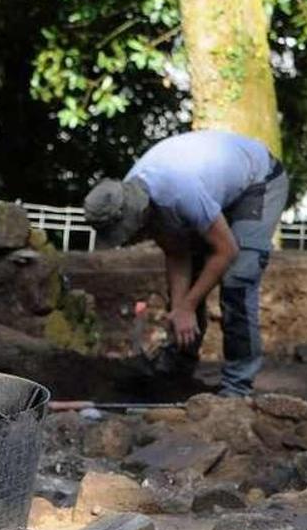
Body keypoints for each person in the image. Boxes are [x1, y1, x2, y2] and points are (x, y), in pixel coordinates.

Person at [83, 130, 289, 397]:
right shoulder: (127, 196)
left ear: (137, 214)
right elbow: (177, 254)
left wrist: (189, 305)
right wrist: (181, 308)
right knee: (186, 292)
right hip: (216, 189)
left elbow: (226, 250)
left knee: (238, 278)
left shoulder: (176, 193)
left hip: (259, 181)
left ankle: (238, 385)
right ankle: (178, 367)